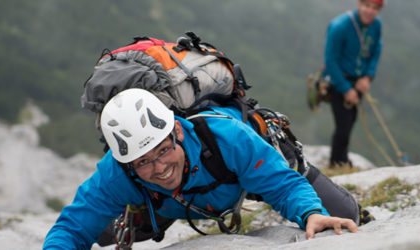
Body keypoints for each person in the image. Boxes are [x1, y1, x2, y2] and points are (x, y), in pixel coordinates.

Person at [43, 88, 361, 249]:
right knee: (102, 230)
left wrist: (310, 213)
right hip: (167, 204)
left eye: (164, 150)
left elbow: (283, 185)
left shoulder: (226, 138)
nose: (159, 168)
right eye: (142, 161)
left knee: (342, 214)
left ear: (177, 131)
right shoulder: (118, 171)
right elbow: (72, 226)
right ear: (126, 162)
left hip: (240, 178)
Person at [323, 0, 384, 167]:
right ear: (359, 4)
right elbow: (330, 61)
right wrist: (345, 89)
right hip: (338, 82)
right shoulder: (339, 27)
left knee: (350, 121)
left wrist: (368, 77)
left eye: (375, 8)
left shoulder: (376, 25)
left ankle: (342, 160)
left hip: (359, 82)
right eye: (367, 6)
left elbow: (376, 49)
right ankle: (337, 163)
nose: (370, 11)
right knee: (343, 126)